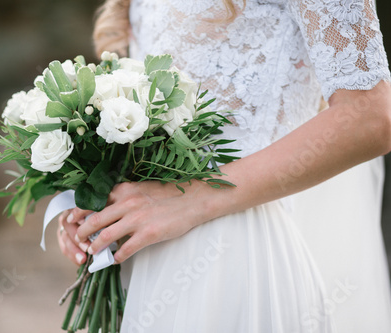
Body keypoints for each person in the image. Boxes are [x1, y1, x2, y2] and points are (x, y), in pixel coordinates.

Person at [58, 0, 391, 331]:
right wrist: (97, 204)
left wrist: (193, 197)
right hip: (142, 253)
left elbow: (371, 117)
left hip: (233, 253)